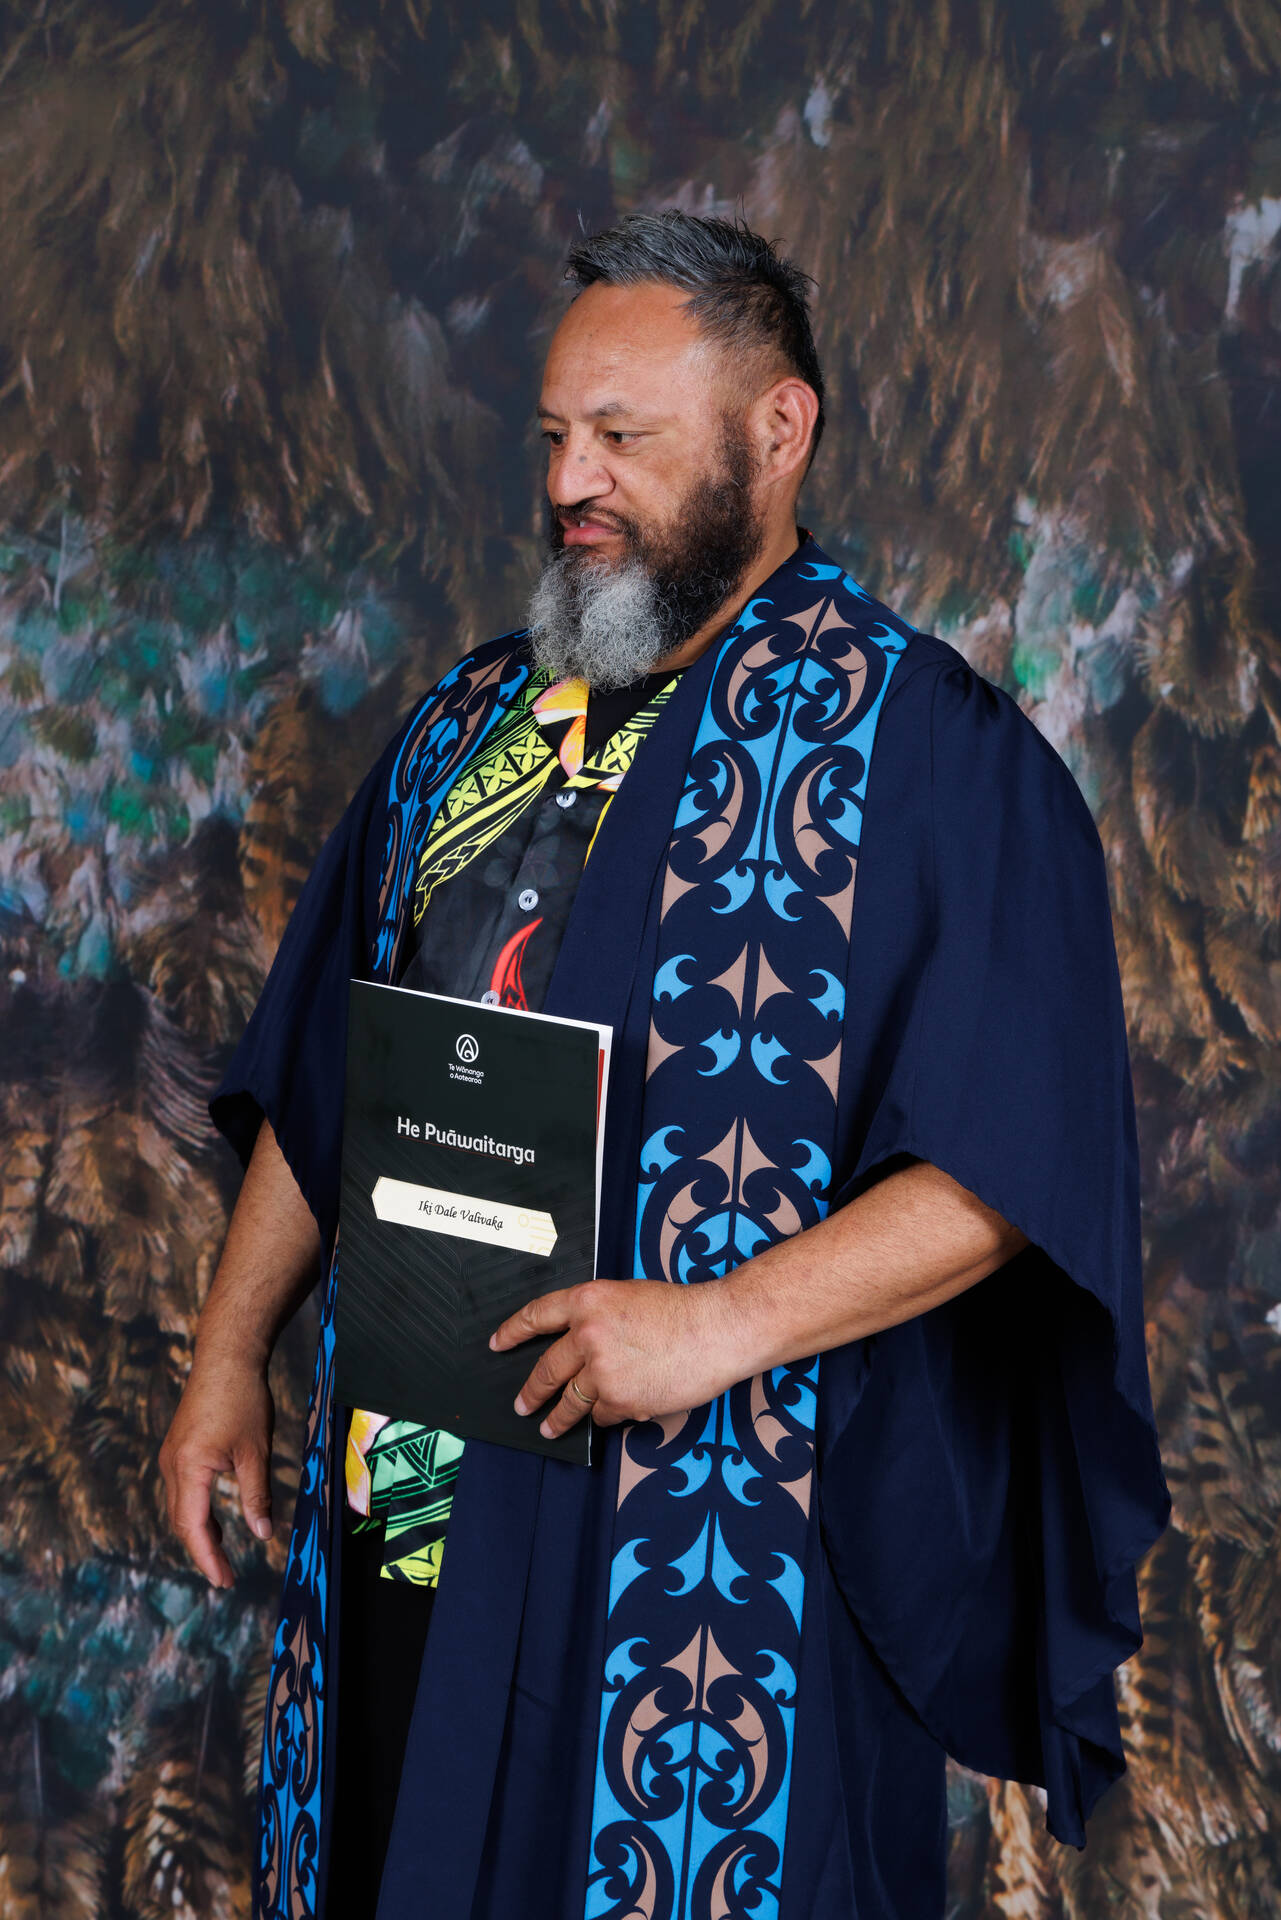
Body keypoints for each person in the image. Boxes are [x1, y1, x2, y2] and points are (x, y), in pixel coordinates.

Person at [159, 211, 1171, 1920]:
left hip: (708, 1556)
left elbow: (1016, 1168)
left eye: (623, 437)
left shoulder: (922, 755)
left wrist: (714, 1326)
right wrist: (225, 1354)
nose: (574, 482)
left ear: (778, 432)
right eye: (557, 436)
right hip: (408, 1500)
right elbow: (337, 1075)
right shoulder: (462, 728)